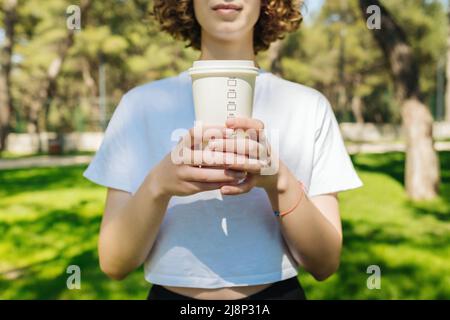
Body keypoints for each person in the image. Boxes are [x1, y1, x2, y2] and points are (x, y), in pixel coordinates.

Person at [83, 0, 363, 300]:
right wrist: (158, 186)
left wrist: (280, 182)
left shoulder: (308, 106)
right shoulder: (139, 106)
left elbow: (325, 264)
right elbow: (114, 263)